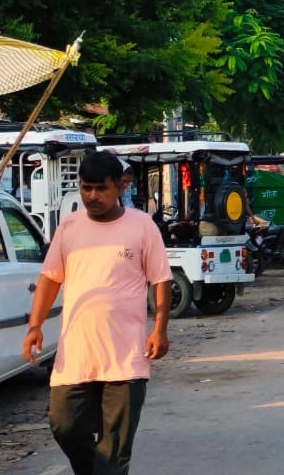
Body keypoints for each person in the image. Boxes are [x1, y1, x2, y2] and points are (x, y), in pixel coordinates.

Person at [22, 152, 173, 475]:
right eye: (86, 188)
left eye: (100, 189)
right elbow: (50, 276)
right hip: (75, 356)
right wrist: (35, 325)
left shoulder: (142, 226)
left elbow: (161, 279)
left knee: (114, 451)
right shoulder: (70, 226)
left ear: (120, 186)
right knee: (65, 426)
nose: (92, 196)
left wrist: (159, 329)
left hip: (126, 358)